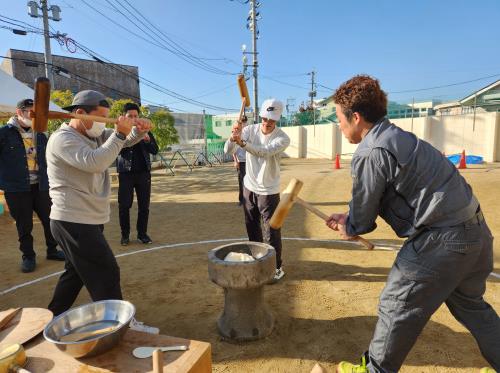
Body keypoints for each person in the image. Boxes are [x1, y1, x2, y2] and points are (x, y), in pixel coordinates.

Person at [327, 75, 500, 373]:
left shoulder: (370, 151)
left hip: (442, 240)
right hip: (475, 231)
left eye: (340, 119)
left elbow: (364, 218)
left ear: (356, 118)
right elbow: (379, 199)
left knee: (396, 305)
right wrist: (351, 218)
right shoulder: (398, 136)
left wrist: (351, 225)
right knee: (473, 308)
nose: (339, 127)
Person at [46, 90, 158, 333]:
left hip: (86, 217)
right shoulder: (62, 139)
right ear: (79, 113)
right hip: (72, 219)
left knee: (75, 273)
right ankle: (122, 326)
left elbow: (125, 141)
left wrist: (140, 129)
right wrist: (119, 132)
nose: (103, 124)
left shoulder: (92, 133)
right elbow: (96, 161)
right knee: (106, 271)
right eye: (101, 118)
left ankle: (51, 316)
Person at [224, 98, 290, 282]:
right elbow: (228, 150)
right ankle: (257, 259)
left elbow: (264, 152)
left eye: (272, 119)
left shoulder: (282, 137)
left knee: (271, 231)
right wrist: (232, 138)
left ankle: (276, 267)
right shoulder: (249, 130)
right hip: (249, 185)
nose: (268, 123)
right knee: (251, 225)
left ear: (278, 119)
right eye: (265, 118)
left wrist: (243, 143)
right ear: (261, 115)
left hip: (269, 189)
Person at [0, 98, 64, 273]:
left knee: (50, 220)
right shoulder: (4, 133)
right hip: (17, 188)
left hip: (41, 186)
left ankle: (52, 250)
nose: (35, 115)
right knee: (24, 224)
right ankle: (28, 256)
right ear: (19, 112)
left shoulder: (41, 134)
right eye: (31, 111)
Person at [117, 102, 158, 246]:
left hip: (144, 174)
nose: (134, 119)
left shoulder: (146, 130)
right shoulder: (120, 132)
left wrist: (147, 140)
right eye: (130, 116)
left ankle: (142, 234)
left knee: (144, 206)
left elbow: (155, 150)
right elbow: (115, 150)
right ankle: (125, 235)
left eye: (136, 116)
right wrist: (126, 134)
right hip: (125, 173)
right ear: (123, 116)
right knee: (124, 206)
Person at [233, 114, 248, 206]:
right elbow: (232, 149)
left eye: (244, 121)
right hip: (241, 161)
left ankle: (250, 200)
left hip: (250, 161)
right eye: (241, 122)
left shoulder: (249, 132)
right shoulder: (235, 133)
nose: (243, 123)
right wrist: (235, 160)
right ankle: (242, 200)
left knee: (251, 181)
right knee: (241, 181)